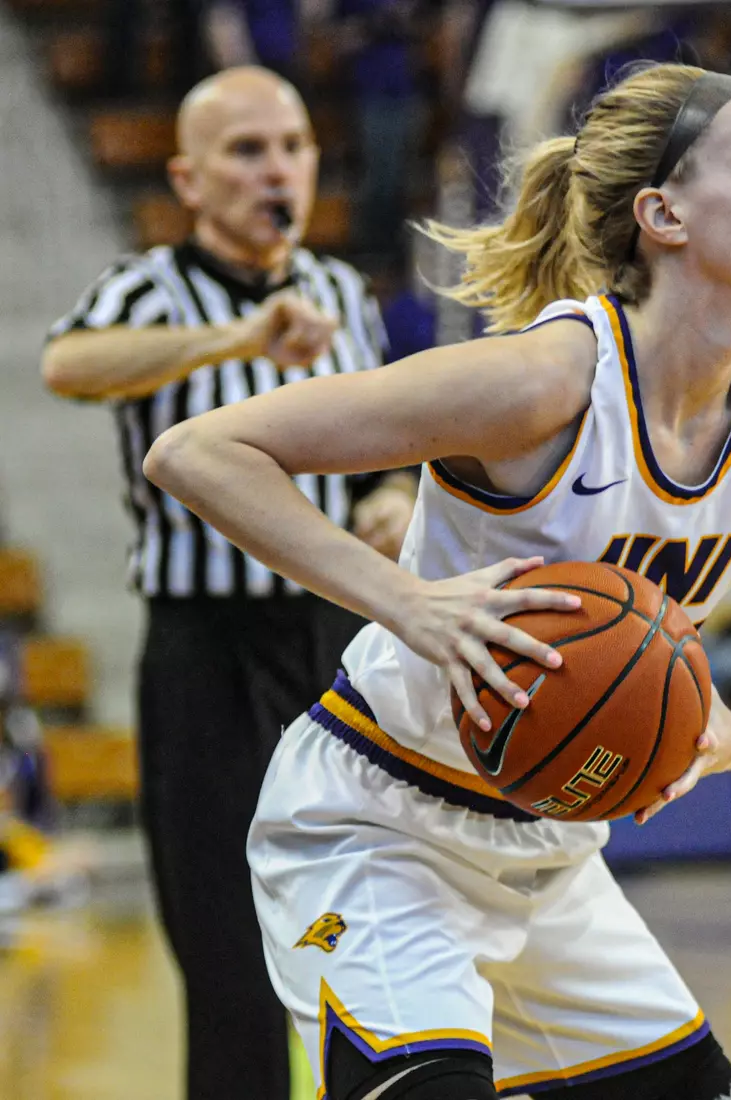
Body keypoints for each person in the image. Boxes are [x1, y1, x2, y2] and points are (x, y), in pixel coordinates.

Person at [144, 62, 731, 1100]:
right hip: (376, 829)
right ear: (663, 213)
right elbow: (198, 452)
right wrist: (407, 600)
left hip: (552, 858)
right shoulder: (543, 382)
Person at [40, 67, 416, 1100]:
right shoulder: (152, 288)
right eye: (246, 150)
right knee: (228, 958)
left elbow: (387, 445)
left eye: (290, 145)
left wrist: (387, 497)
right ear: (188, 178)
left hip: (334, 644)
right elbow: (67, 366)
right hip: (205, 652)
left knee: (370, 937)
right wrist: (235, 339)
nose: (276, 168)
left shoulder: (342, 292)